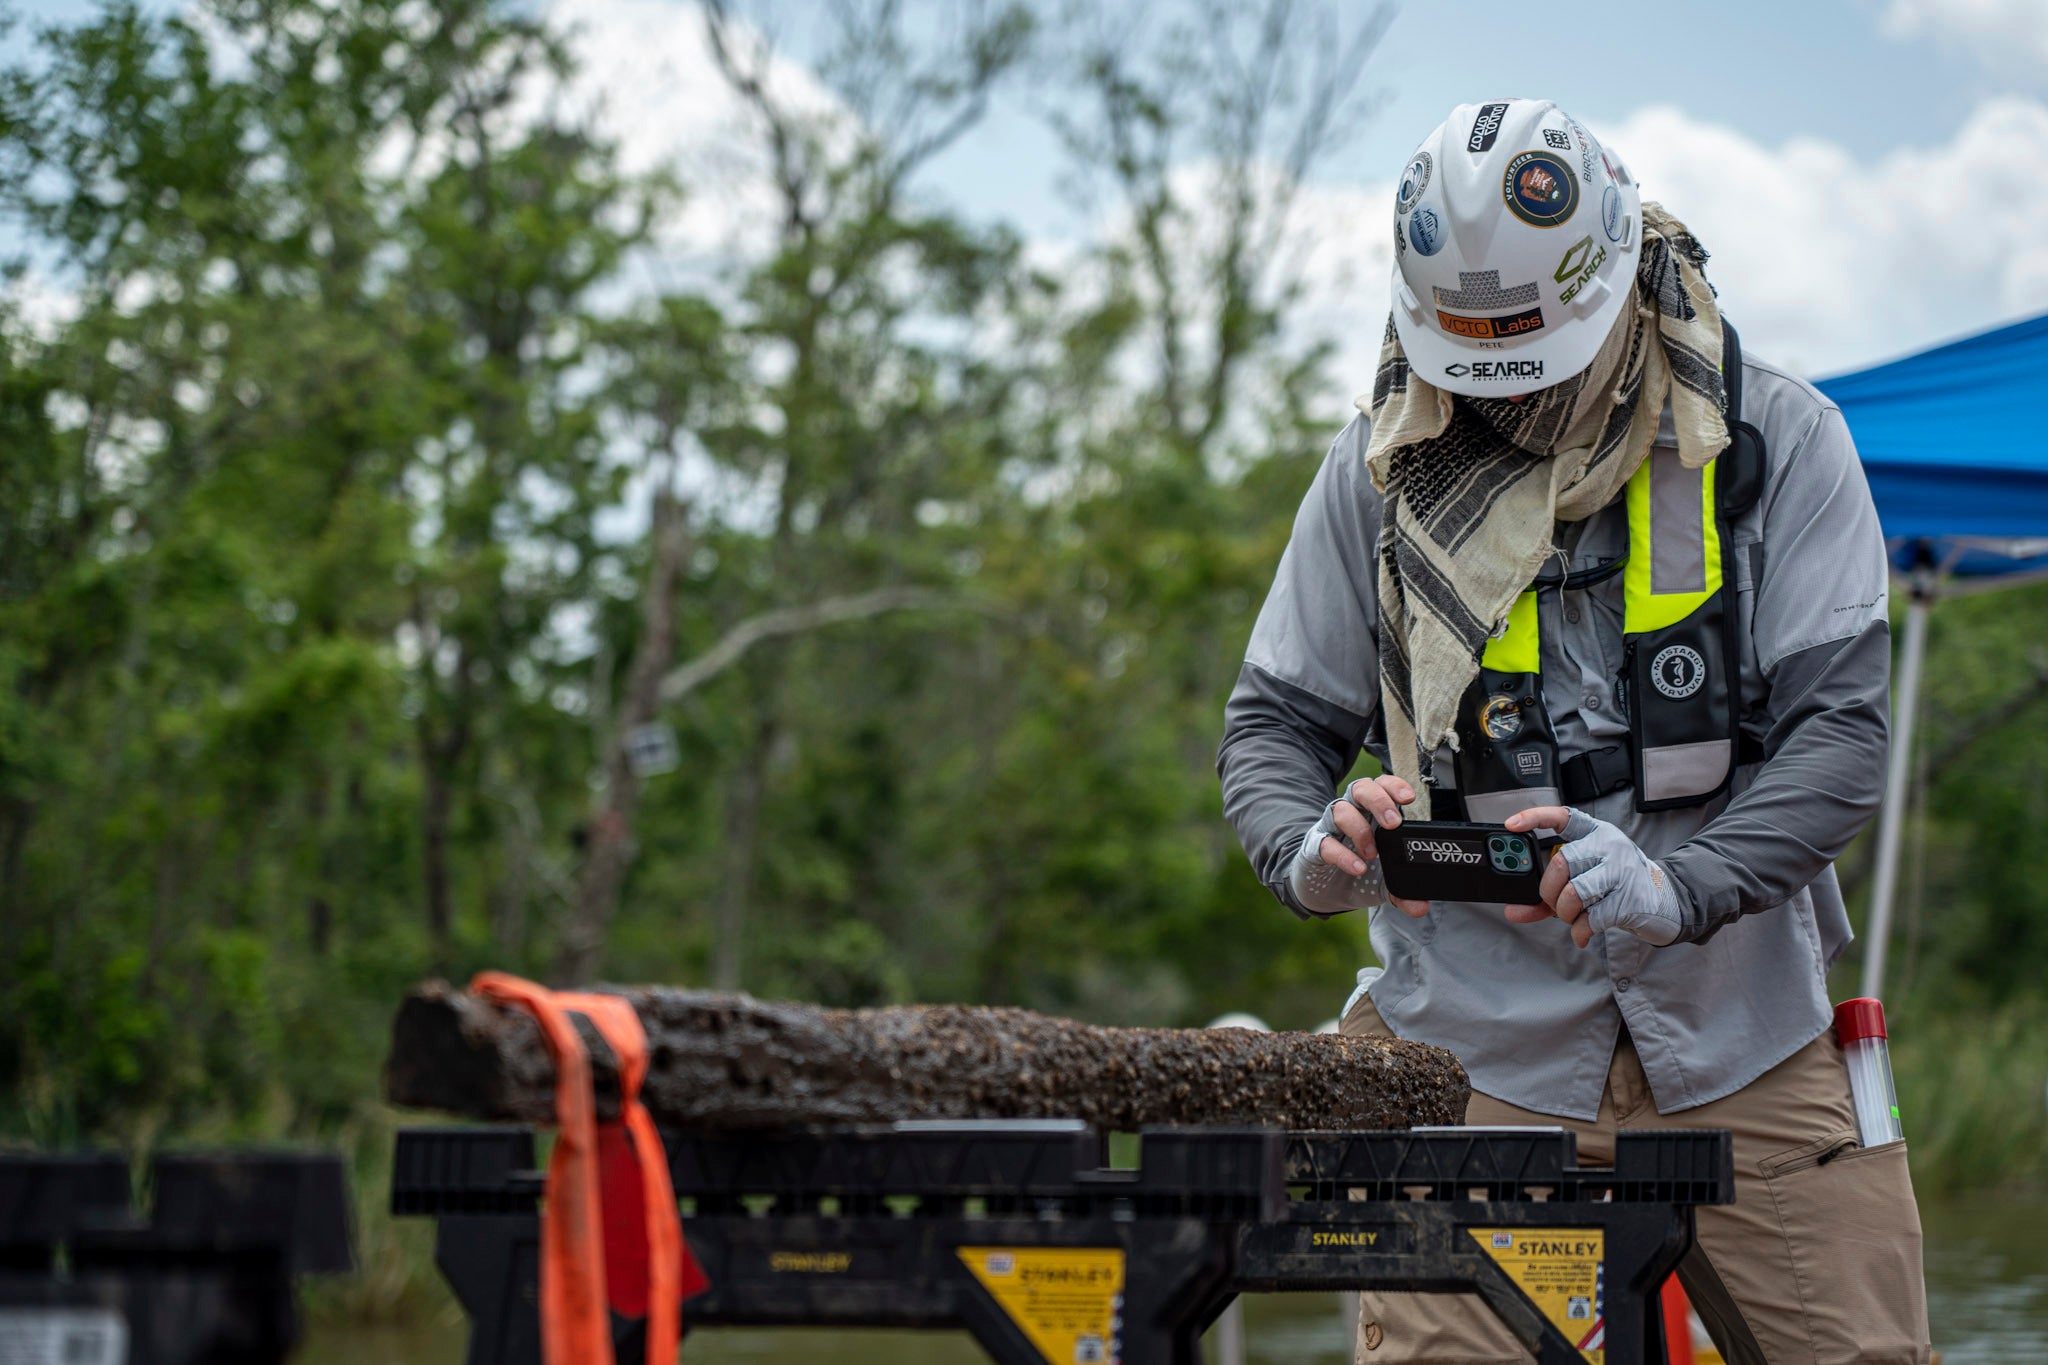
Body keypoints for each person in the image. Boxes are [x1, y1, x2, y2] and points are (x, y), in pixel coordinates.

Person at [1217, 98, 1931, 1364]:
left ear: (1612, 287)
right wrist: (1307, 852)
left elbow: (1837, 740)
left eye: (1537, 361)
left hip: (1740, 1035)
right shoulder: (1373, 473)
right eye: (1475, 368)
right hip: (1461, 1055)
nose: (1507, 402)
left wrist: (1679, 885)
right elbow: (1272, 726)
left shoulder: (1776, 439)